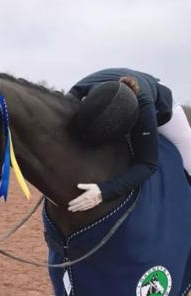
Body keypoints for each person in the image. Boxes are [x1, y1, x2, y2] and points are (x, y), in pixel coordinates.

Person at [67, 68, 191, 212]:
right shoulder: (78, 90)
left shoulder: (144, 106)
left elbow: (148, 164)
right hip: (115, 86)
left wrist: (103, 192)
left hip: (162, 107)